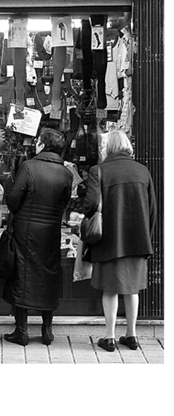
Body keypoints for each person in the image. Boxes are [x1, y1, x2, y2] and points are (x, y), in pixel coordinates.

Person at [83, 130, 156, 352]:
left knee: (110, 290)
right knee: (132, 289)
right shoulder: (142, 171)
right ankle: (132, 335)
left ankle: (110, 337)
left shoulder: (99, 171)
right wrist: (146, 236)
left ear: (109, 147)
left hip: (109, 240)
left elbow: (90, 205)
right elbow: (152, 209)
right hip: (137, 239)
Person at [2, 127, 73, 346]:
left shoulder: (29, 167)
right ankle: (47, 330)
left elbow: (13, 202)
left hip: (26, 231)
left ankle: (21, 331)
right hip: (51, 230)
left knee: (23, 275)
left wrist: (8, 184)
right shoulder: (67, 174)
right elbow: (65, 204)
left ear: (43, 144)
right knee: (48, 276)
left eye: (38, 141)